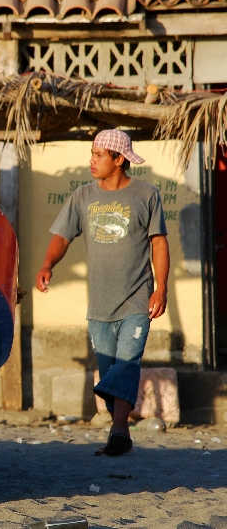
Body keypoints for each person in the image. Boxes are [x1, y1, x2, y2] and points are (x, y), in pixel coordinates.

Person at [35, 129, 170, 457]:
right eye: (91, 154)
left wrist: (161, 288)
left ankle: (119, 430)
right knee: (109, 368)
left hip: (136, 298)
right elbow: (63, 237)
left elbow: (159, 243)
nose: (92, 161)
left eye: (98, 155)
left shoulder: (146, 195)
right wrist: (47, 264)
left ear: (118, 159)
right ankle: (118, 428)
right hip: (99, 304)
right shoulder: (82, 197)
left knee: (128, 361)